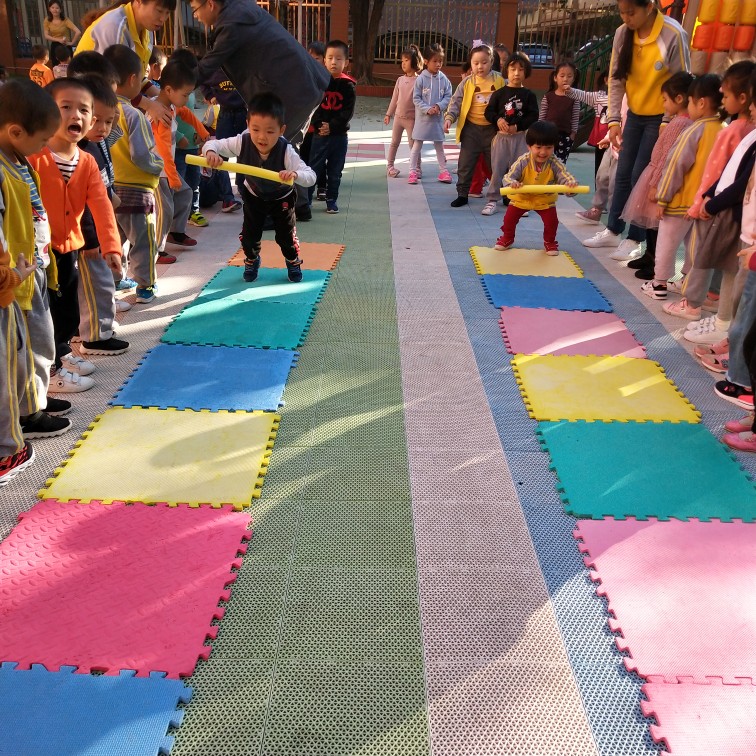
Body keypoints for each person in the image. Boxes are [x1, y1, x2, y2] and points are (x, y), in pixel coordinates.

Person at [190, 0, 331, 220]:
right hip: (299, 87)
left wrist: (176, 89)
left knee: (273, 149)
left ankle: (275, 211)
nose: (195, 16)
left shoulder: (232, 22)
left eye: (195, 9)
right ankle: (299, 206)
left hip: (293, 90)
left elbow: (209, 65)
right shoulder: (239, 10)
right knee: (287, 146)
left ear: (210, 4)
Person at [28, 78, 123, 394]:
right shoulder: (35, 157)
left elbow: (102, 205)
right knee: (44, 313)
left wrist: (111, 247)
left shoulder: (87, 161)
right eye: (65, 107)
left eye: (83, 110)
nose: (75, 115)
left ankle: (61, 350)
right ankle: (50, 370)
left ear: (92, 120)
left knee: (69, 308)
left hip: (69, 248)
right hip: (38, 254)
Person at [583, 0, 690, 262]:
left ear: (650, 7)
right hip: (633, 114)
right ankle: (613, 230)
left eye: (631, 12)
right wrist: (614, 120)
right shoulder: (623, 33)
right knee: (622, 174)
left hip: (660, 117)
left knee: (641, 178)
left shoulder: (673, 34)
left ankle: (634, 238)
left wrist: (668, 121)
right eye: (622, 12)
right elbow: (616, 78)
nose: (626, 18)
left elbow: (682, 81)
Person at [0, 79, 74, 447]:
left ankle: (36, 400)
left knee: (41, 341)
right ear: (16, 131)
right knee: (24, 348)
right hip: (16, 280)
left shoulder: (20, 161)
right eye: (42, 140)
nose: (45, 147)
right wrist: (11, 274)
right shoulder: (3, 169)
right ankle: (28, 413)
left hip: (36, 268)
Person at [663, 61, 756, 324]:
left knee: (702, 256)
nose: (722, 100)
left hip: (719, 208)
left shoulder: (735, 130)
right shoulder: (739, 130)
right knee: (723, 262)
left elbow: (727, 176)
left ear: (743, 97)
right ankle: (714, 304)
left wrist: (706, 201)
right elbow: (729, 172)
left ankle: (693, 303)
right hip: (723, 205)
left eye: (725, 96)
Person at [201, 92, 316, 283]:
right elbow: (213, 143)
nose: (262, 137)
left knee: (285, 237)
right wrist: (211, 152)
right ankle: (252, 259)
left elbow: (311, 176)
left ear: (281, 130)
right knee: (249, 235)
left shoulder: (286, 151)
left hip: (281, 198)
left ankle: (292, 260)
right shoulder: (243, 140)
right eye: (255, 129)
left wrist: (295, 175)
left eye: (270, 132)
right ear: (248, 125)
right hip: (254, 195)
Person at [640, 74, 723, 302]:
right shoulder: (724, 129)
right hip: (707, 204)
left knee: (667, 242)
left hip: (679, 200)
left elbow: (675, 165)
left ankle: (659, 284)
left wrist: (663, 197)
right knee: (693, 246)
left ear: (701, 103)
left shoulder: (693, 131)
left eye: (691, 102)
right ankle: (686, 280)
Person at [76, 74, 131, 357]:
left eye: (108, 121)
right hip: (90, 236)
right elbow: (82, 204)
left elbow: (103, 182)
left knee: (103, 283)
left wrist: (112, 195)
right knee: (95, 284)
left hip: (101, 227)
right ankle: (95, 337)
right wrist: (91, 240)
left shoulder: (98, 142)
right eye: (96, 119)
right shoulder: (80, 150)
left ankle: (96, 326)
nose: (103, 128)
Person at [105, 44, 164, 305]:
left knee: (114, 237)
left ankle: (114, 279)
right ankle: (145, 285)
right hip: (138, 190)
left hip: (111, 188)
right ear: (132, 79)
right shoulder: (133, 115)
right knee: (143, 240)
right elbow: (142, 155)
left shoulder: (102, 113)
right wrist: (158, 165)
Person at [619, 72, 692, 276]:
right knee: (651, 220)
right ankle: (649, 254)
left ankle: (655, 263)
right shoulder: (680, 121)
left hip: (658, 176)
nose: (663, 104)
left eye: (665, 100)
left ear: (679, 99)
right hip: (656, 172)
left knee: (656, 222)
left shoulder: (680, 123)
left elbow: (667, 156)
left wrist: (655, 183)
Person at [76, 0, 176, 127]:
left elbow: (135, 77)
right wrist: (150, 105)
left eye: (167, 13)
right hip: (86, 101)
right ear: (139, 2)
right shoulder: (115, 27)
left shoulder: (147, 30)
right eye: (159, 11)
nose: (163, 19)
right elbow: (118, 85)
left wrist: (162, 96)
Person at [494, 120, 578, 255]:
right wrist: (512, 183)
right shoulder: (523, 161)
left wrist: (571, 185)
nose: (543, 152)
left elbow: (565, 176)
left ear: (554, 147)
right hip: (521, 198)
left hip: (544, 200)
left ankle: (550, 242)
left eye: (548, 148)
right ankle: (507, 238)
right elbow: (508, 177)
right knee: (509, 220)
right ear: (529, 146)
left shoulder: (554, 163)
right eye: (538, 147)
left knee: (552, 223)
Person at [152, 59, 209, 259]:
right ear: (168, 90)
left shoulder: (171, 107)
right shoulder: (160, 114)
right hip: (157, 172)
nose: (187, 99)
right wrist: (172, 176)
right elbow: (163, 147)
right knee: (164, 210)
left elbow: (187, 114)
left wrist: (204, 133)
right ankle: (156, 250)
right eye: (185, 94)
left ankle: (176, 232)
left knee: (185, 193)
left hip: (167, 169)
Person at [444, 43, 504, 208]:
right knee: (465, 163)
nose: (480, 66)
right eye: (476, 63)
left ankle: (505, 194)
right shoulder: (467, 83)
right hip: (471, 129)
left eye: (484, 62)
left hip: (493, 130)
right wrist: (449, 118)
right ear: (471, 63)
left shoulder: (500, 81)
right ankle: (462, 194)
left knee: (497, 163)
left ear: (491, 61)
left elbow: (510, 98)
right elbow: (455, 102)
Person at [481, 51, 538, 215]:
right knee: (498, 169)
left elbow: (533, 116)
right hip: (501, 138)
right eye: (513, 69)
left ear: (526, 72)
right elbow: (488, 112)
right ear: (506, 70)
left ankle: (516, 199)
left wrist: (518, 127)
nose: (516, 73)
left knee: (518, 170)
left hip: (520, 138)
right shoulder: (499, 94)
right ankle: (492, 200)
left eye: (521, 69)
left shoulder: (529, 95)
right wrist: (498, 120)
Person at [307, 40, 355, 215]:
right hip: (320, 134)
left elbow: (347, 112)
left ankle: (331, 200)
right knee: (313, 168)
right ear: (324, 60)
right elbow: (313, 107)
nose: (334, 62)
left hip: (339, 136)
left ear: (346, 62)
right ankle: (306, 201)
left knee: (335, 171)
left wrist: (332, 126)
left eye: (338, 58)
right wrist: (320, 125)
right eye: (330, 58)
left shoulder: (348, 85)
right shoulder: (319, 82)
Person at [199, 69, 244, 214]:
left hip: (243, 112)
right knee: (220, 156)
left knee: (244, 151)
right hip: (225, 113)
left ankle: (243, 188)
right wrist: (210, 96)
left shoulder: (244, 65)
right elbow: (202, 79)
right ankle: (226, 196)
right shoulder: (216, 68)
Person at [409, 43, 452, 185]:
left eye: (440, 61)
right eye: (435, 61)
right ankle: (412, 171)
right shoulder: (421, 79)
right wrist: (427, 109)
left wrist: (439, 106)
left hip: (437, 120)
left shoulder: (444, 79)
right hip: (422, 120)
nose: (438, 64)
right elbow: (416, 98)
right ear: (426, 61)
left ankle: (443, 171)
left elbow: (448, 96)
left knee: (439, 146)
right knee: (416, 146)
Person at [385, 45, 423, 179]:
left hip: (412, 120)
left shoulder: (419, 80)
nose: (403, 63)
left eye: (406, 60)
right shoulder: (400, 80)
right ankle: (390, 166)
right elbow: (394, 98)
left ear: (414, 61)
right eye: (402, 61)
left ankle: (417, 168)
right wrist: (388, 114)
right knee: (394, 142)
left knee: (414, 145)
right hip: (398, 118)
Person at [565, 70, 609, 178]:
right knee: (600, 169)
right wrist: (569, 90)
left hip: (617, 140)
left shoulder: (626, 98)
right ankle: (598, 187)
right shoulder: (598, 97)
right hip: (601, 138)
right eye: (614, 79)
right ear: (606, 80)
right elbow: (582, 95)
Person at [539, 61, 579, 163]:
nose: (565, 79)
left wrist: (573, 134)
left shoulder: (575, 98)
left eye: (569, 76)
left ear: (573, 79)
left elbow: (575, 117)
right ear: (555, 78)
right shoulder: (548, 96)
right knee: (545, 161)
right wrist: (540, 131)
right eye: (562, 76)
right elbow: (542, 116)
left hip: (565, 136)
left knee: (560, 163)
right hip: (547, 135)